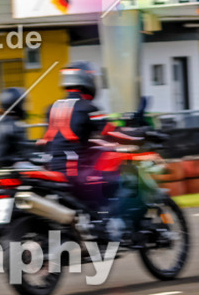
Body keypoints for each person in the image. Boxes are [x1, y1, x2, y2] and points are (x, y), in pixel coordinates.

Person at [40, 61, 141, 241]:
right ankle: (110, 228)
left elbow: (61, 139)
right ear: (87, 80)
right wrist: (141, 135)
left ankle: (94, 222)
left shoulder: (51, 108)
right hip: (74, 173)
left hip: (52, 171)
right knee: (121, 181)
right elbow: (112, 132)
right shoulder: (87, 108)